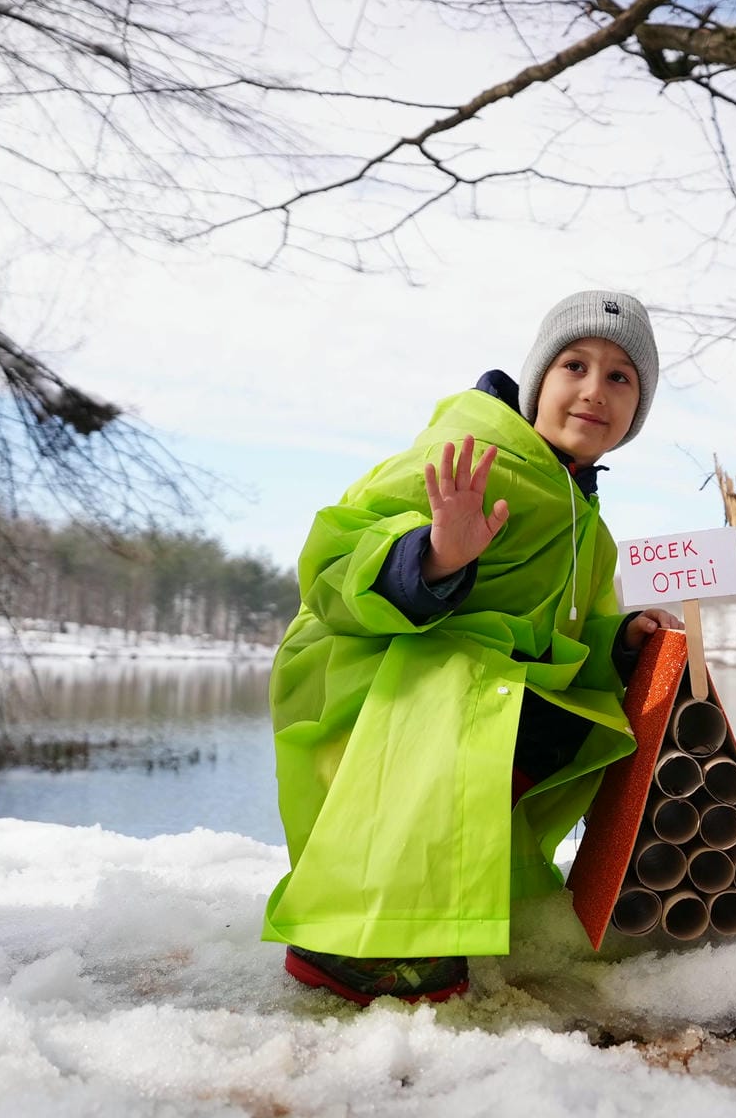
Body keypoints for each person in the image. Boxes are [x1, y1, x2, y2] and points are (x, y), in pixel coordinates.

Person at [264, 290, 680, 1006]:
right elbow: (332, 563)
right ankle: (362, 943)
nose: (594, 390)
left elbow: (563, 634)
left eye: (620, 377)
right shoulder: (466, 459)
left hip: (466, 694)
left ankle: (453, 906)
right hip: (374, 681)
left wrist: (619, 639)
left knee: (575, 717)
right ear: (537, 380)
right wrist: (432, 558)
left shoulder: (586, 522)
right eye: (574, 365)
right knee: (496, 700)